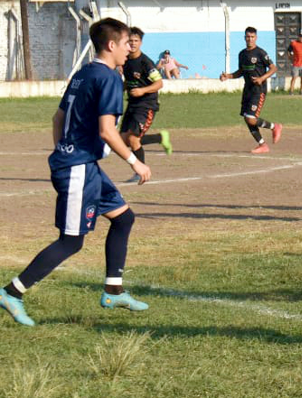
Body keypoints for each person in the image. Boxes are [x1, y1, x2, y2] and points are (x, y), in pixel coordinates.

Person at [0, 18, 152, 327]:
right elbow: (108, 131)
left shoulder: (84, 73)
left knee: (124, 218)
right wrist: (135, 162)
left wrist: (63, 150)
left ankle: (113, 290)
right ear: (111, 45)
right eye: (126, 43)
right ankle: (12, 293)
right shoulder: (109, 78)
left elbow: (57, 118)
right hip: (78, 168)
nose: (130, 49)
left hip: (83, 165)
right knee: (71, 241)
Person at [120, 27, 173, 183]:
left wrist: (142, 91)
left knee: (133, 139)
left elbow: (159, 83)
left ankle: (140, 172)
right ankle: (160, 137)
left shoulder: (146, 63)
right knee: (122, 140)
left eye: (136, 41)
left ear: (141, 43)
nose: (133, 44)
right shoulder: (125, 60)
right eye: (130, 41)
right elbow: (129, 81)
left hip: (146, 105)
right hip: (132, 104)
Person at [220, 27, 283, 154]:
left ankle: (274, 127)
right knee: (247, 117)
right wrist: (228, 76)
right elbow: (241, 72)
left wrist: (261, 78)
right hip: (247, 90)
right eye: (248, 37)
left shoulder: (260, 53)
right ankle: (263, 145)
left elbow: (273, 68)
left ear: (256, 38)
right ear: (245, 38)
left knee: (250, 118)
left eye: (252, 37)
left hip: (258, 90)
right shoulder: (242, 54)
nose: (250, 39)